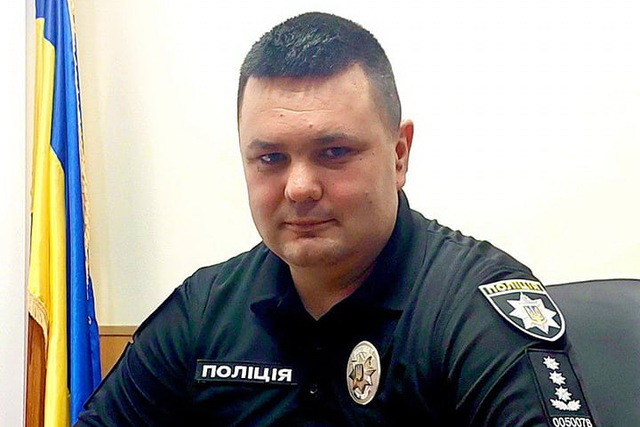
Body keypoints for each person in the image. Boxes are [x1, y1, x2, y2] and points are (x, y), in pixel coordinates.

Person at [76, 12, 597, 426]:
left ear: (398, 154)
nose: (299, 187)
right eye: (270, 158)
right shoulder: (205, 310)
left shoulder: (473, 311)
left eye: (334, 152)